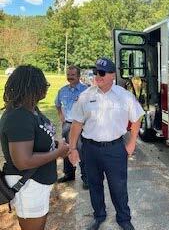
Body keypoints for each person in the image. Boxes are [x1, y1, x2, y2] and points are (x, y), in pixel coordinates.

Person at [68, 57, 144, 230]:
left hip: (115, 149)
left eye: (102, 73)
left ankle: (124, 219)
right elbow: (76, 124)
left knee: (118, 187)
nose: (98, 76)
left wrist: (132, 143)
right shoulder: (85, 96)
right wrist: (72, 148)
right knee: (94, 185)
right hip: (90, 148)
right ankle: (99, 216)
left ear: (112, 75)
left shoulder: (124, 96)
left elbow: (137, 117)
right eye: (96, 72)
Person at [0, 65, 69, 230]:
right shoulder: (18, 116)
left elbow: (38, 139)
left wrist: (55, 144)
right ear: (32, 86)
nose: (46, 88)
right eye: (43, 84)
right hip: (28, 185)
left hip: (37, 182)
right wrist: (57, 153)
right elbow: (23, 161)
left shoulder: (32, 110)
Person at [55, 65, 88, 188]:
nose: (70, 77)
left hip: (81, 126)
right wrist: (61, 117)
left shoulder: (86, 91)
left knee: (82, 151)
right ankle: (69, 174)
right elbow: (57, 104)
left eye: (73, 75)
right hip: (67, 125)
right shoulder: (62, 91)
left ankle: (86, 178)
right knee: (66, 149)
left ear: (79, 76)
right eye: (68, 75)